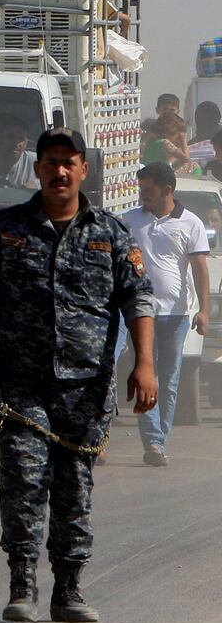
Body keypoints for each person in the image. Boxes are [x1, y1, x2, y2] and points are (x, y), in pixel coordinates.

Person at [0, 127, 157, 623]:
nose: (60, 171)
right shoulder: (4, 229)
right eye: (51, 161)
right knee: (22, 479)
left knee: (74, 486)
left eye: (69, 162)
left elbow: (137, 299)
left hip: (85, 388)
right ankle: (22, 583)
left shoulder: (111, 233)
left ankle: (70, 589)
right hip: (21, 385)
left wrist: (144, 363)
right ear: (37, 169)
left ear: (83, 169)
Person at [124, 162, 210, 466]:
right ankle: (154, 443)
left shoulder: (191, 224)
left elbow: (200, 270)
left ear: (167, 190)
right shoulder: (129, 221)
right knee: (146, 375)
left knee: (169, 380)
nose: (142, 196)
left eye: (148, 190)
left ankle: (159, 437)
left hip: (176, 315)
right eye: (141, 190)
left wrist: (204, 311)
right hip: (139, 313)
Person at [188, 101, 221, 168]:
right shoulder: (192, 144)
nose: (206, 121)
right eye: (203, 117)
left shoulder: (220, 136)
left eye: (210, 117)